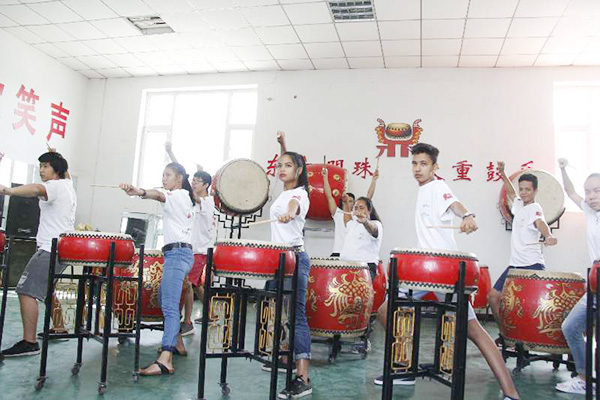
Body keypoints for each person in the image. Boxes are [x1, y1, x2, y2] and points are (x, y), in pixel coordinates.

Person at [374, 143, 520, 400]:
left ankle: (511, 393)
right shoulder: (423, 190)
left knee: (474, 330)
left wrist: (468, 215)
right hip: (425, 272)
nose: (418, 169)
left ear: (435, 167)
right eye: (415, 163)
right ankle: (406, 369)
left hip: (444, 273)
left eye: (424, 164)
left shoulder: (438, 186)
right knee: (386, 312)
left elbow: (455, 204)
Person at [120, 162, 194, 376]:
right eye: (163, 175)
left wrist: (140, 191)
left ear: (179, 178)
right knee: (165, 300)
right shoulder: (185, 197)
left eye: (168, 175)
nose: (164, 179)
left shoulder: (177, 195)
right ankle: (178, 343)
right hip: (179, 254)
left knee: (169, 306)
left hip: (177, 254)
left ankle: (165, 359)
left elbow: (159, 195)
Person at [1, 151, 76, 357]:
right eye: (40, 166)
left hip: (50, 249)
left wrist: (9, 191)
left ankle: (29, 342)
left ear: (56, 170)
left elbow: (36, 189)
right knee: (46, 290)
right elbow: (66, 173)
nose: (41, 170)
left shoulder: (54, 186)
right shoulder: (68, 184)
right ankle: (60, 327)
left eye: (46, 166)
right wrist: (58, 156)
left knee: (26, 290)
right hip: (62, 249)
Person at [265, 131, 313, 399]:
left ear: (299, 170)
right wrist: (283, 146)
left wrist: (290, 214)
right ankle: (284, 356)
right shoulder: (283, 192)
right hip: (278, 259)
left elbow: (295, 205)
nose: (282, 169)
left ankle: (303, 377)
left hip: (295, 259)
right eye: (280, 165)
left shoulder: (300, 194)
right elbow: (289, 160)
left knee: (296, 317)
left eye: (288, 166)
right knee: (278, 313)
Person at [487, 161, 557, 329]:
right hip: (515, 265)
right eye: (522, 189)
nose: (524, 193)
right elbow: (511, 193)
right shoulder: (519, 204)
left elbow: (540, 223)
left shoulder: (535, 208)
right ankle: (505, 333)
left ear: (535, 191)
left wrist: (548, 235)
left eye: (528, 189)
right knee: (493, 297)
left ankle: (522, 337)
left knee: (526, 307)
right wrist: (503, 174)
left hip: (532, 265)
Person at [555, 158, 600, 394]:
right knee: (570, 326)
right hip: (595, 279)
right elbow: (570, 191)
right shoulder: (589, 211)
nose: (591, 196)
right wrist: (562, 169)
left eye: (596, 191)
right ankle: (584, 379)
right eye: (588, 192)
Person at [165, 142, 215, 334]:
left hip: (199, 250)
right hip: (190, 249)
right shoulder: (189, 197)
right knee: (194, 285)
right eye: (192, 180)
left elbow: (185, 184)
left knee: (186, 284)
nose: (193, 183)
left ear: (206, 185)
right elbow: (181, 176)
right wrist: (171, 152)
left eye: (197, 181)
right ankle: (208, 314)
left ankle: (187, 322)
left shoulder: (207, 202)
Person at [323, 166, 379, 257]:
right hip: (338, 252)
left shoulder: (359, 216)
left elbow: (368, 198)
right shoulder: (338, 213)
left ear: (354, 203)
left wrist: (374, 180)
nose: (348, 203)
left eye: (351, 201)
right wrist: (325, 178)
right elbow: (329, 196)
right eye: (346, 201)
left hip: (353, 255)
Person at [338, 195, 383, 281]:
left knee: (358, 294)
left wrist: (365, 221)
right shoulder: (353, 224)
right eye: (355, 208)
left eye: (361, 207)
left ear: (369, 210)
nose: (358, 210)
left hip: (365, 268)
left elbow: (374, 230)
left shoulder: (376, 224)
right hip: (346, 266)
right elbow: (347, 219)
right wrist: (346, 204)